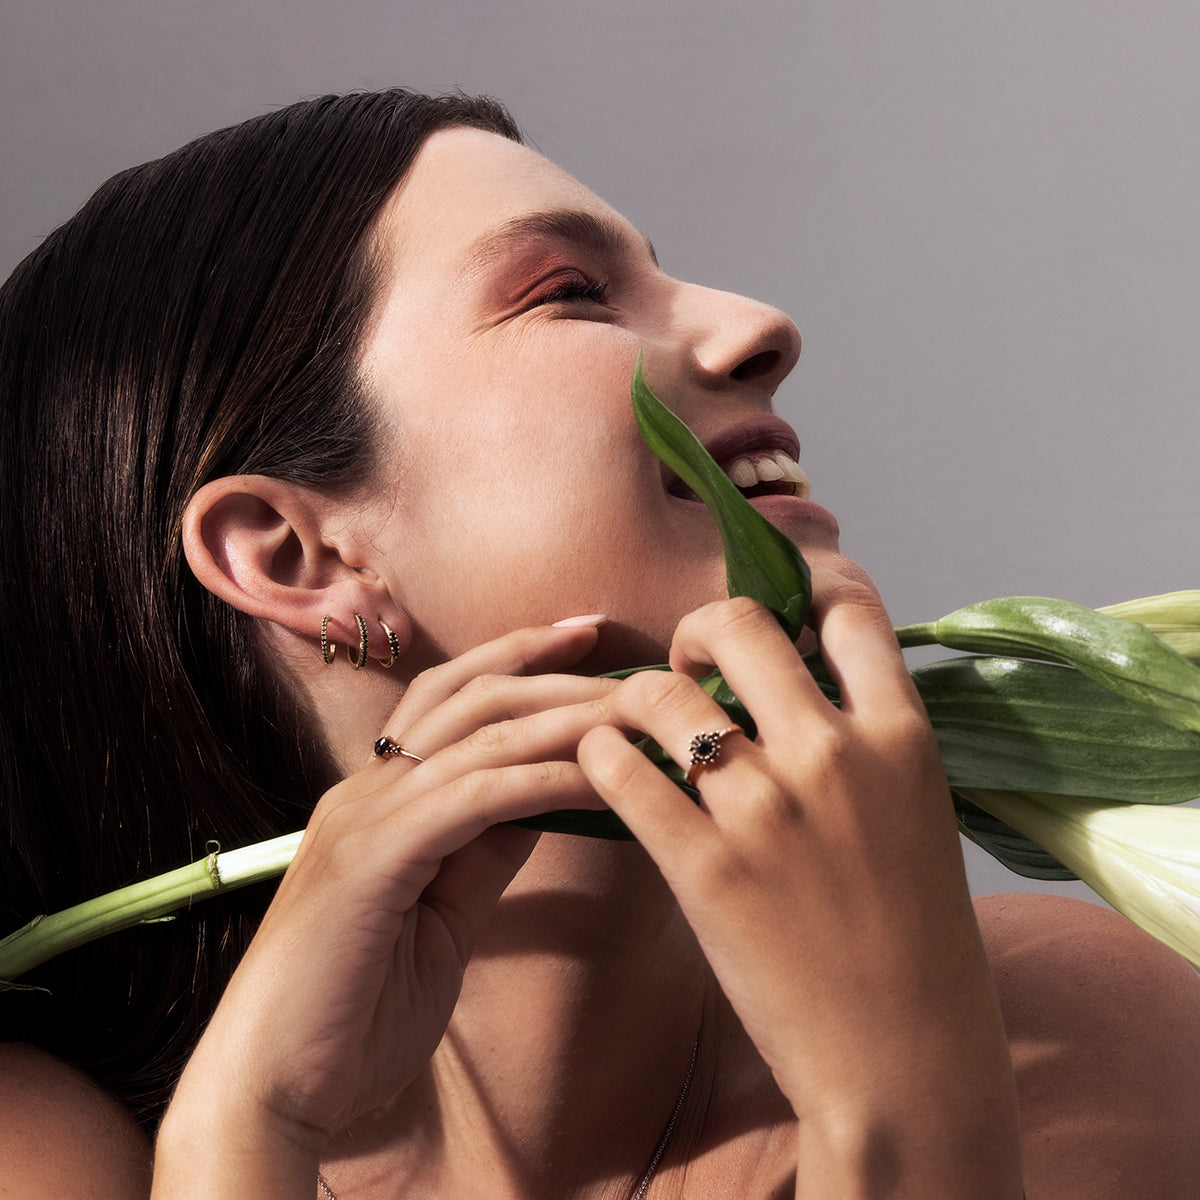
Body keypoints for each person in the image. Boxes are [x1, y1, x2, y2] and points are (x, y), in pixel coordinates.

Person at [1, 88, 1198, 1200]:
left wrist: (903, 1091)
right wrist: (241, 1136)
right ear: (290, 556)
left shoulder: (1069, 1027)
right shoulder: (49, 1146)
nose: (760, 325)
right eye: (569, 290)